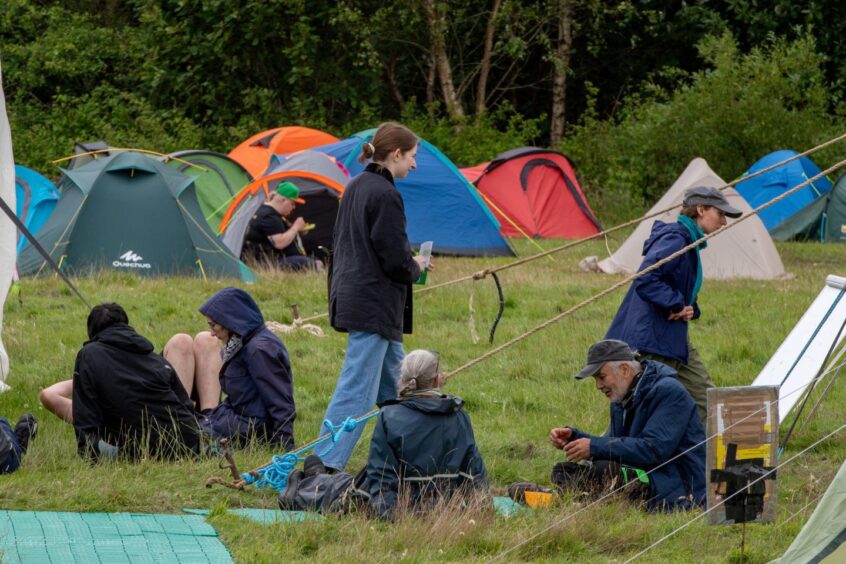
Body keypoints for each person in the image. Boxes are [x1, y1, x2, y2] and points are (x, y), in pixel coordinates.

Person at [320, 122, 429, 471]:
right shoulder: (385, 194)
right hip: (373, 306)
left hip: (361, 300)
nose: (414, 164)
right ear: (396, 154)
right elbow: (395, 260)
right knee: (357, 391)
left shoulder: (355, 186)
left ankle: (411, 460)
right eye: (411, 157)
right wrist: (417, 265)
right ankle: (322, 466)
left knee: (401, 390)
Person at [605, 185, 742, 425]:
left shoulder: (689, 242)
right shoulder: (676, 238)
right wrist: (676, 303)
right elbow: (646, 278)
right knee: (640, 412)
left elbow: (679, 287)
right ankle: (602, 457)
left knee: (705, 396)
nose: (723, 222)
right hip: (652, 340)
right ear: (700, 209)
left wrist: (688, 308)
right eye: (720, 214)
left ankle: (705, 455)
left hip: (673, 338)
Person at [549, 339, 705, 511]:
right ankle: (568, 498)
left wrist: (593, 447)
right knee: (562, 471)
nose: (598, 386)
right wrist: (575, 438)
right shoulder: (622, 397)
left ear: (624, 369)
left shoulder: (669, 392)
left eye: (601, 377)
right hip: (646, 474)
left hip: (676, 486)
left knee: (605, 470)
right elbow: (616, 444)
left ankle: (570, 499)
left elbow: (653, 450)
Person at [355, 350, 487, 520]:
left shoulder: (389, 416)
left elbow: (381, 474)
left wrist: (388, 518)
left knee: (329, 487)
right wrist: (482, 509)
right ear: (437, 379)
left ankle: (316, 473)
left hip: (399, 510)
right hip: (443, 510)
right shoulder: (459, 418)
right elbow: (474, 472)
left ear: (402, 379)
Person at [165, 286, 296, 449]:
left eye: (213, 326)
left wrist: (285, 446)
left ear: (230, 322)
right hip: (239, 419)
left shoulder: (259, 351)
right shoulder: (245, 342)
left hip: (250, 428)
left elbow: (280, 401)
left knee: (181, 441)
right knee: (185, 433)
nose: (212, 333)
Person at [71, 303, 200, 461]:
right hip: (187, 445)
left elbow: (85, 414)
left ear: (91, 331)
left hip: (137, 452)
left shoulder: (88, 355)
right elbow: (185, 406)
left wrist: (89, 449)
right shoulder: (156, 360)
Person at [241, 181, 321, 271]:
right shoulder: (268, 216)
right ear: (283, 200)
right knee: (311, 263)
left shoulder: (268, 212)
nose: (294, 207)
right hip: (269, 264)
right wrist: (296, 227)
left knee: (316, 258)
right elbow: (280, 243)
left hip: (273, 259)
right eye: (292, 203)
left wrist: (297, 230)